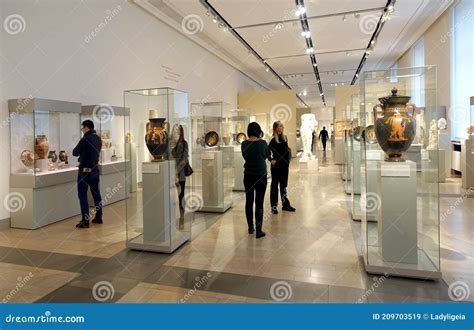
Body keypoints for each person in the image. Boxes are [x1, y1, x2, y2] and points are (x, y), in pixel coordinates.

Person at [73, 120, 103, 228]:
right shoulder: (98, 138)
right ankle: (99, 217)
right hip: (95, 171)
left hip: (84, 172)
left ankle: (85, 221)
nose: (82, 130)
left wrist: (81, 155)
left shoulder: (85, 139)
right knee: (96, 194)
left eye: (82, 128)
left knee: (82, 195)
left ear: (86, 128)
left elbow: (74, 152)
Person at [241, 122, 268, 239]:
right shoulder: (262, 143)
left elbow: (245, 156)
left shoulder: (244, 144)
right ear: (258, 131)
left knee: (249, 201)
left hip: (248, 175)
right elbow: (266, 155)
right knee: (259, 203)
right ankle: (259, 231)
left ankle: (250, 227)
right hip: (261, 175)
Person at [268, 121, 296, 214]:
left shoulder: (285, 138)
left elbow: (285, 150)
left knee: (284, 186)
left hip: (284, 166)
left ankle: (285, 205)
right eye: (280, 125)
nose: (283, 127)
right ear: (276, 128)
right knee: (274, 186)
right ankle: (274, 207)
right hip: (276, 167)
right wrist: (271, 159)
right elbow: (267, 151)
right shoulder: (272, 139)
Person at [171, 124, 189, 230]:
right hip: (170, 171)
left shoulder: (184, 143)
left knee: (181, 194)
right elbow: (167, 155)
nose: (176, 131)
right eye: (175, 129)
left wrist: (176, 170)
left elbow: (184, 159)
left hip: (180, 173)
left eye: (178, 130)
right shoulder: (170, 144)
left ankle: (182, 215)